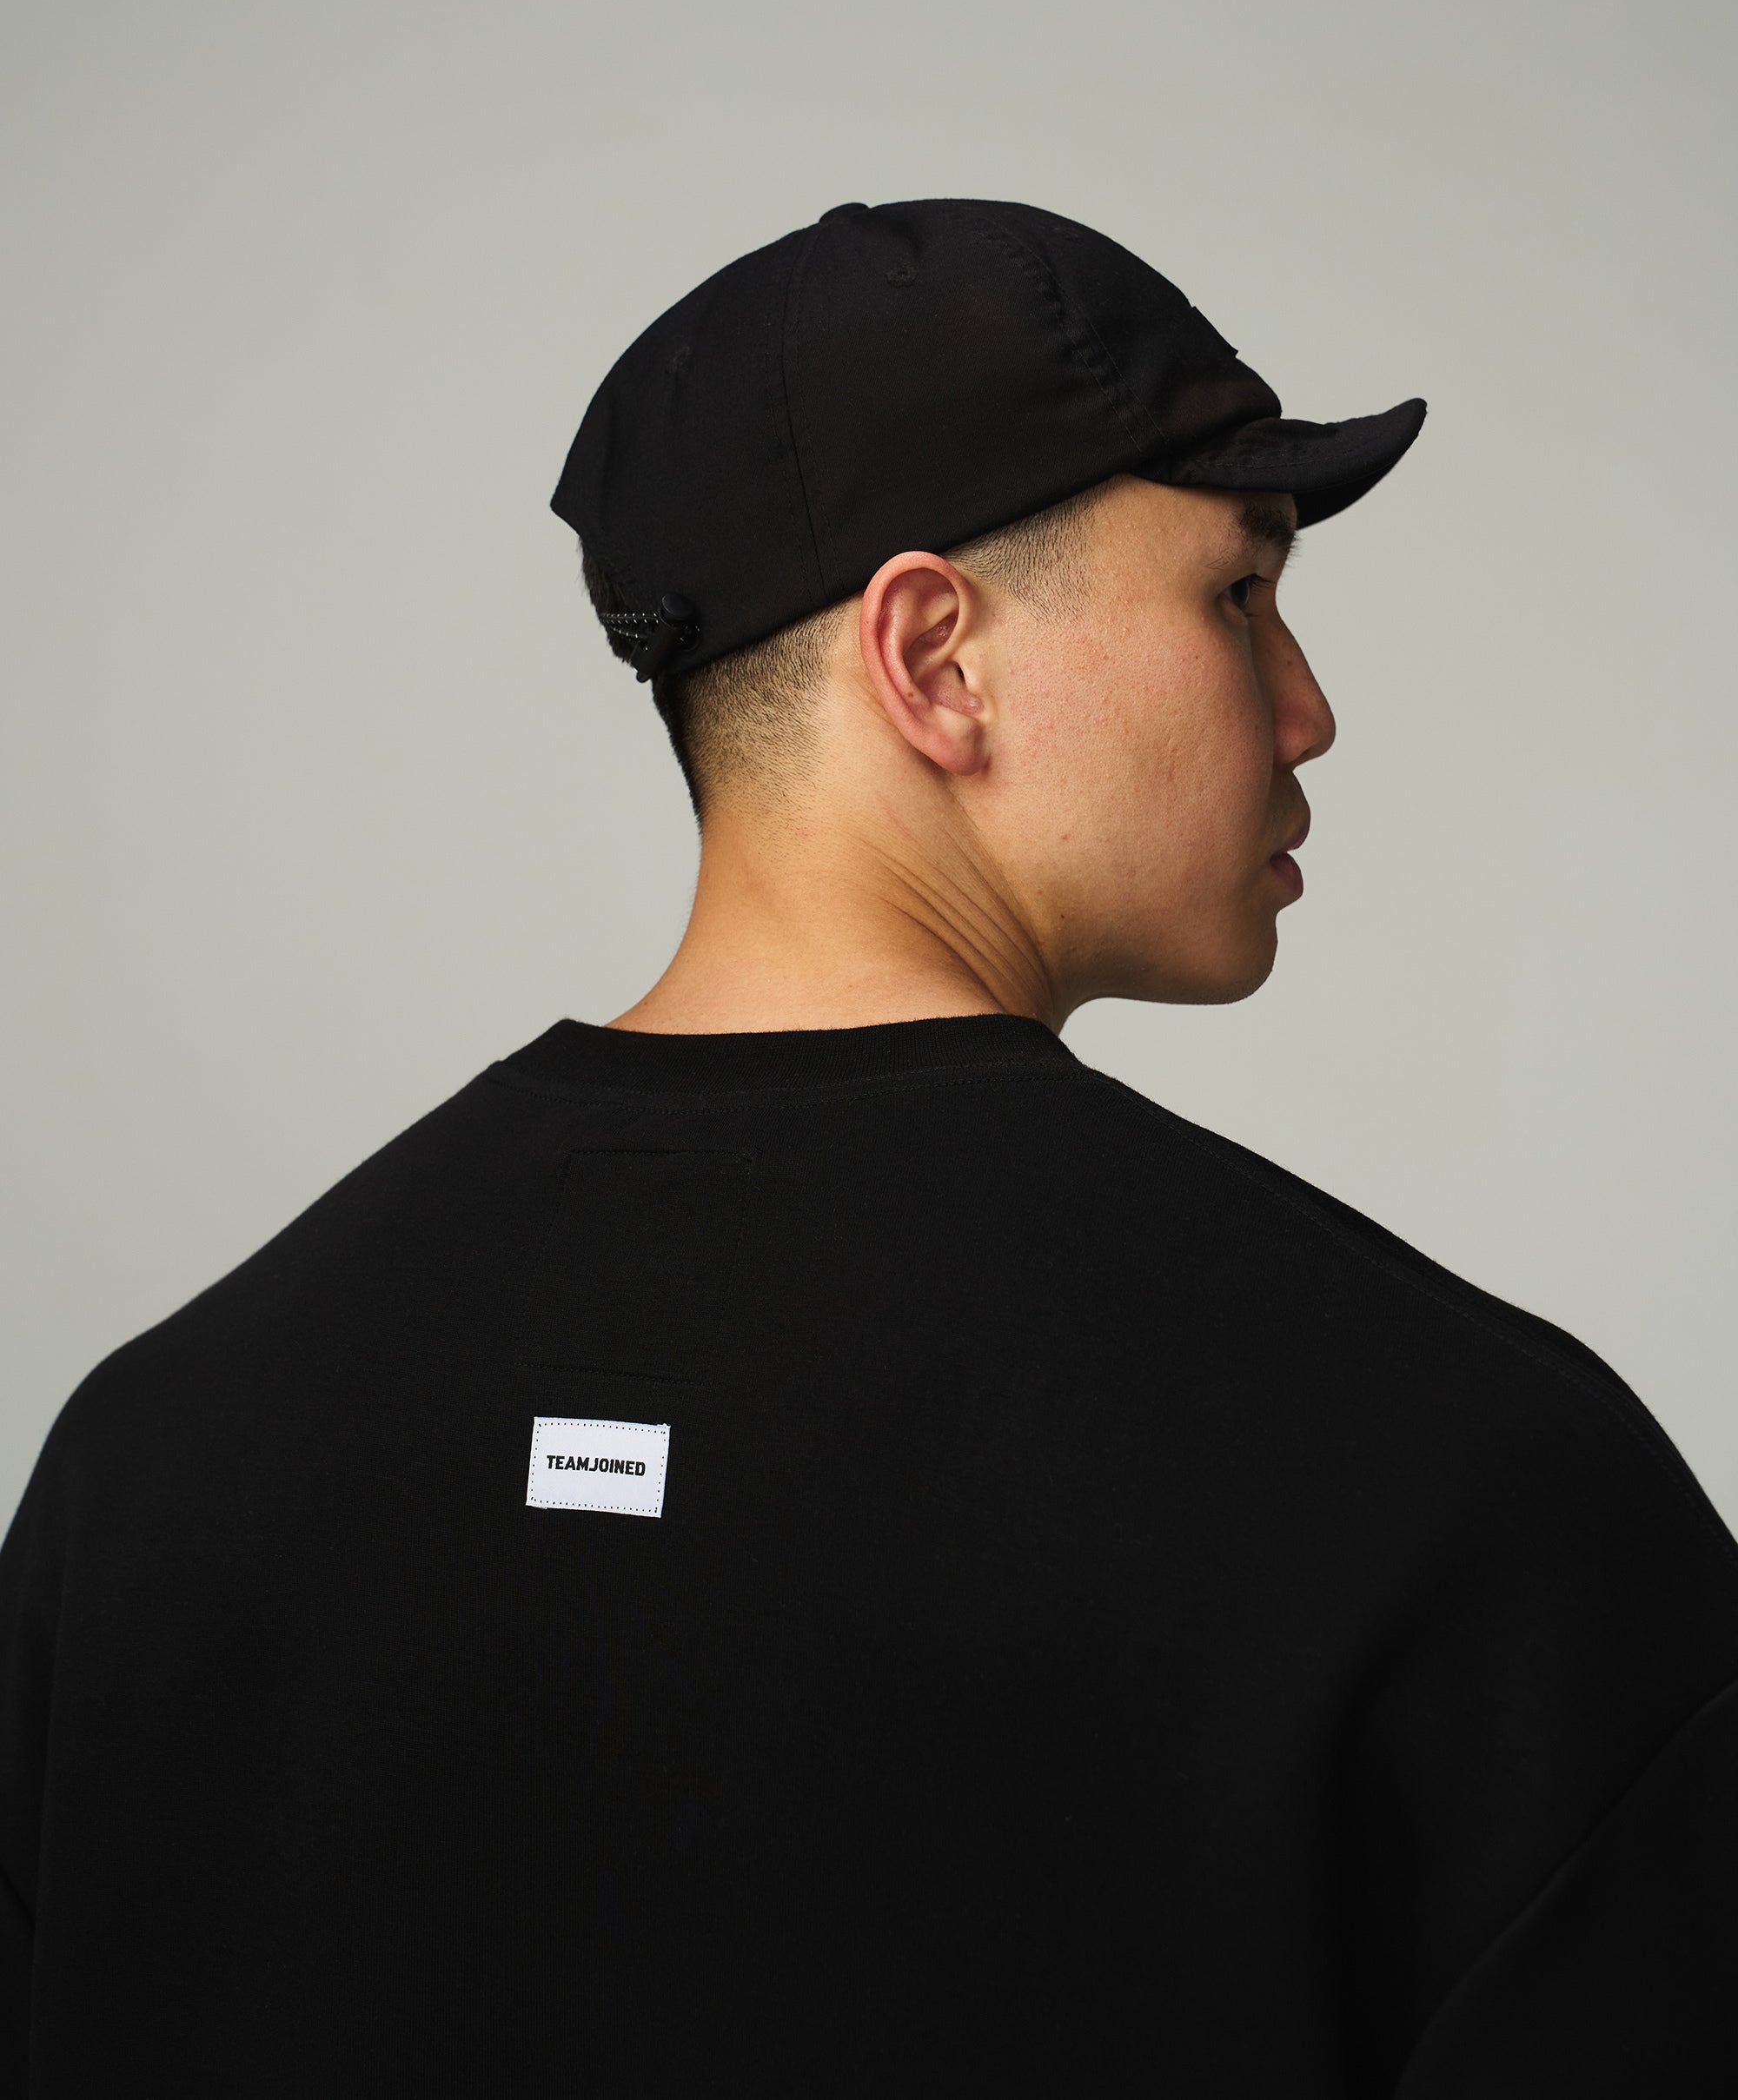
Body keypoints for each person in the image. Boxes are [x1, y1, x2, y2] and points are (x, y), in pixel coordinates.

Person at [2, 198, 1734, 2095]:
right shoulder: (1471, 1498)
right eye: (1240, 594)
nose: (1309, 709)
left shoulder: (141, 1481)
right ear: (934, 658)